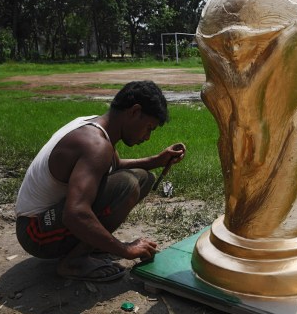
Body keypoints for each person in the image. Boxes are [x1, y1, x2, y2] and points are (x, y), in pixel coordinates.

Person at [15, 80, 186, 282]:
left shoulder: (96, 126)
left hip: (44, 222)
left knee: (142, 178)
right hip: (35, 232)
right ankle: (74, 261)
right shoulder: (95, 145)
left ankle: (89, 247)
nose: (147, 137)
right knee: (127, 185)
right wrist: (126, 250)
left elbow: (115, 166)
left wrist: (156, 161)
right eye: (148, 127)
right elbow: (75, 214)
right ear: (134, 111)